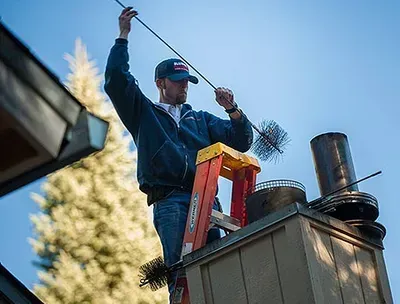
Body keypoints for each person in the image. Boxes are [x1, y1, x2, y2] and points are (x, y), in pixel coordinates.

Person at [104, 7, 253, 301]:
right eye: (177, 80)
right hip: (170, 200)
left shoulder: (199, 118)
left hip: (207, 198)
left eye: (187, 81)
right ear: (161, 83)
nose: (184, 85)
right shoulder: (144, 114)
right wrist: (123, 36)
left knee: (216, 268)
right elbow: (116, 81)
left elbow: (241, 140)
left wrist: (232, 109)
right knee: (182, 271)